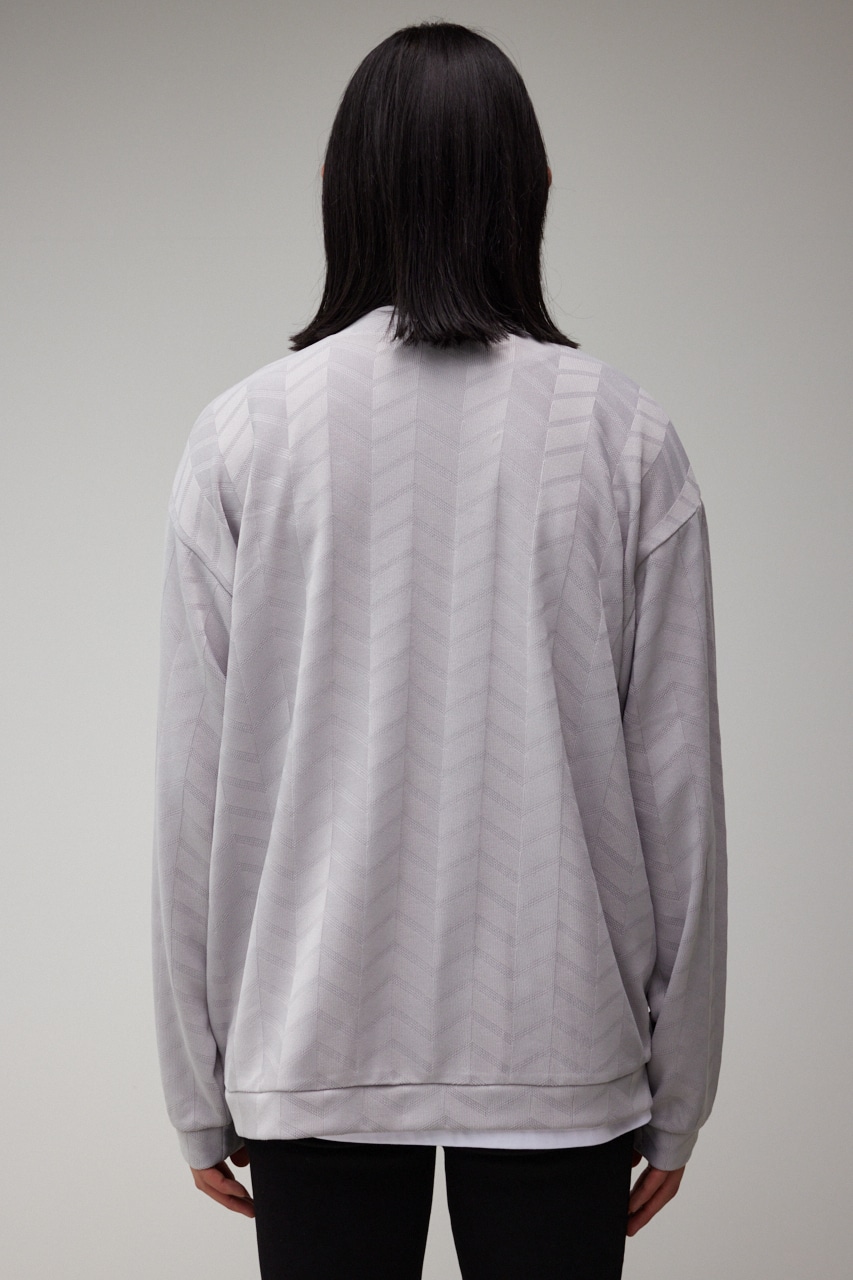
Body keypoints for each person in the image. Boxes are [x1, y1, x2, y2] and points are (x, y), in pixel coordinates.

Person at [151, 19, 728, 1280]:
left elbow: (194, 796)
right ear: (533, 189)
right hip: (561, 1042)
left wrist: (196, 1079)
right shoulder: (625, 436)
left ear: (337, 188)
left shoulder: (244, 436)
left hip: (311, 1036)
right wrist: (681, 1085)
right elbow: (679, 796)